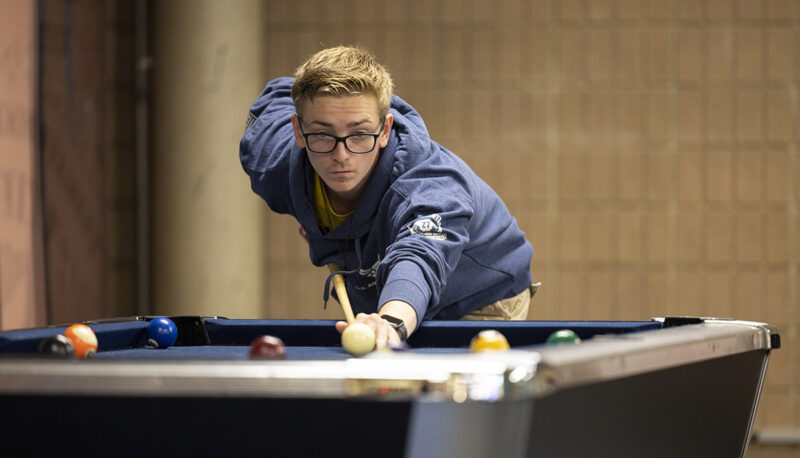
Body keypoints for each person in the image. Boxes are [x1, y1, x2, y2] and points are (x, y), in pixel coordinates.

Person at [240, 46, 534, 348]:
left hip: (478, 294)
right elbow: (276, 94)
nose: (341, 156)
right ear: (298, 132)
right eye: (322, 134)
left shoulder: (431, 184)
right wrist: (311, 213)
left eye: (359, 134)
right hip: (382, 287)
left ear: (385, 129)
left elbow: (419, 257)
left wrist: (390, 321)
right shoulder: (271, 162)